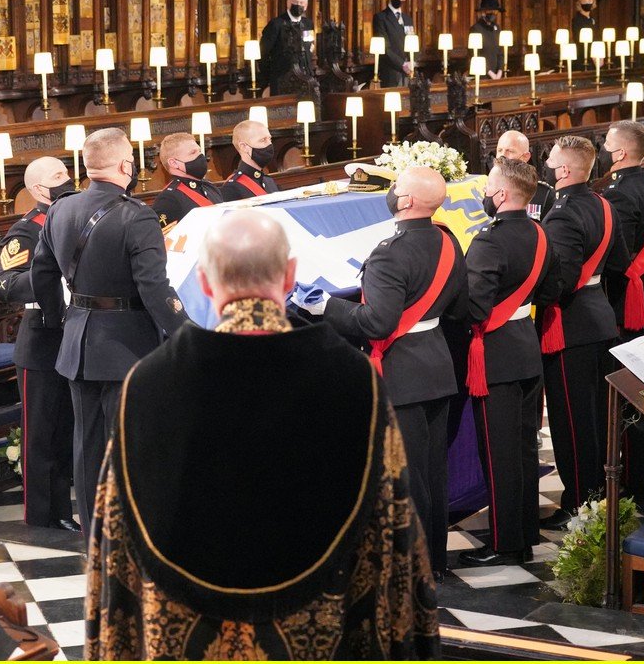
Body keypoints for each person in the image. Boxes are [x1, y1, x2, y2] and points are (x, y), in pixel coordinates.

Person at [85, 210, 441, 659]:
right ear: (291, 275)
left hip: (183, 628)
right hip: (321, 625)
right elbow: (392, 524)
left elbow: (114, 537)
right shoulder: (352, 379)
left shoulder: (148, 383)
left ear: (206, 283)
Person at [298, 167, 469, 575]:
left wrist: (324, 308)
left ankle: (412, 566)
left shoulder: (390, 253)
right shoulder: (448, 240)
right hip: (437, 366)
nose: (391, 192)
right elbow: (458, 307)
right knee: (433, 471)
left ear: (407, 201)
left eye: (396, 187)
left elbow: (377, 323)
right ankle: (435, 560)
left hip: (402, 373)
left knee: (406, 476)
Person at [24, 127, 188, 535]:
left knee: (87, 445)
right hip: (127, 346)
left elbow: (41, 274)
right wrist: (186, 334)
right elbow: (154, 288)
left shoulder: (60, 210)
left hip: (78, 343)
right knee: (132, 443)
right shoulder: (138, 215)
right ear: (125, 165)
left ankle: (97, 531)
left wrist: (56, 319)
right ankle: (134, 530)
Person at [460, 158, 551, 566]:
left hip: (495, 355)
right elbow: (553, 286)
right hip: (527, 349)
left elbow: (476, 308)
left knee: (499, 455)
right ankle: (525, 529)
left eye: (490, 186)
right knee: (523, 448)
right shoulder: (539, 232)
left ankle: (504, 543)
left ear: (503, 194)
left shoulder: (489, 241)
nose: (486, 193)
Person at [536, 135, 627, 524]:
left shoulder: (561, 213)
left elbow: (562, 279)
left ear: (564, 171)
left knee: (571, 419)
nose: (547, 164)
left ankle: (578, 501)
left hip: (571, 326)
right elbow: (619, 261)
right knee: (597, 417)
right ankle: (601, 493)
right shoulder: (603, 204)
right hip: (601, 318)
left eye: (552, 159)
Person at [0, 157, 78, 531]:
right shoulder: (26, 230)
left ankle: (61, 512)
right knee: (40, 437)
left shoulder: (77, 217)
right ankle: (40, 521)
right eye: (59, 176)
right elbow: (5, 284)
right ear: (39, 189)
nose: (68, 179)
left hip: (74, 336)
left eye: (67, 172)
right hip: (42, 342)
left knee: (65, 434)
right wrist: (49, 281)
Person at [600, 121, 644, 511]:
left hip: (629, 298)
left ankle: (631, 478)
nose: (605, 147)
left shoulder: (621, 192)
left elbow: (617, 254)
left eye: (609, 143)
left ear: (622, 152)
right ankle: (639, 474)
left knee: (629, 389)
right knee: (643, 387)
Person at [150, 132, 223, 229]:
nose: (201, 156)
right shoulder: (168, 199)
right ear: (174, 163)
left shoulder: (210, 187)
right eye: (193, 153)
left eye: (199, 151)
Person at [258, 0, 314, 95]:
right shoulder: (276, 24)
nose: (298, 5)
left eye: (301, 3)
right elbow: (263, 53)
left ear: (306, 6)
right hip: (281, 80)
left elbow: (309, 47)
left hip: (305, 78)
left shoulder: (308, 24)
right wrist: (268, 79)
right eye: (295, 2)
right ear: (288, 3)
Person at [496, 129, 555, 219]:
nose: (502, 156)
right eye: (499, 150)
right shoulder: (484, 189)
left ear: (525, 157)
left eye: (510, 151)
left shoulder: (543, 194)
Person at [221, 120, 280, 200]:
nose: (269, 144)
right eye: (263, 140)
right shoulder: (232, 188)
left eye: (270, 139)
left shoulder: (268, 181)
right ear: (243, 146)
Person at [372, 0, 416, 86]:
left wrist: (412, 61)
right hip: (391, 72)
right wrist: (402, 64)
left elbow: (413, 42)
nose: (400, 0)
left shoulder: (407, 19)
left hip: (409, 72)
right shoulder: (381, 18)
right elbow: (384, 48)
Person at [470, 0, 505, 76]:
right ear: (483, 12)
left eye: (495, 12)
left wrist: (500, 71)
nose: (493, 14)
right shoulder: (476, 29)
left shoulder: (497, 28)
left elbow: (500, 52)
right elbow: (474, 55)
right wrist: (490, 73)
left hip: (497, 75)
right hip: (482, 74)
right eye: (490, 11)